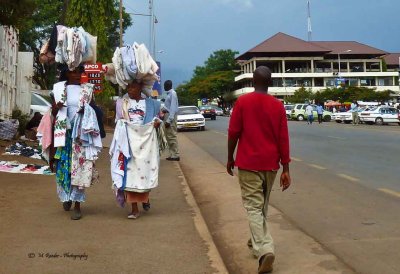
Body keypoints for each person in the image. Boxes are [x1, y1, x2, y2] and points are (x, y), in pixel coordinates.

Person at [227, 66, 291, 274]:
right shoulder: (278, 106)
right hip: (271, 165)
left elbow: (234, 132)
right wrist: (286, 168)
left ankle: (265, 249)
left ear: (253, 81)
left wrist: (230, 157)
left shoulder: (243, 102)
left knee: (254, 207)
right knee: (261, 205)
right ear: (269, 83)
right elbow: (283, 138)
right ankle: (255, 241)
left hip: (248, 164)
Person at [42, 64, 102, 220]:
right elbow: (54, 113)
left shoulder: (87, 90)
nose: (75, 75)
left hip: (81, 136)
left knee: (80, 169)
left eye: (78, 72)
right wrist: (56, 107)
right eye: (72, 72)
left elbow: (94, 111)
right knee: (64, 167)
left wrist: (87, 110)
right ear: (66, 73)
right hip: (64, 135)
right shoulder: (59, 89)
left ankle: (77, 205)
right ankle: (67, 196)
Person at [113, 80, 162, 219]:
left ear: (140, 87)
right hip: (128, 144)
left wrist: (157, 124)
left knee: (145, 172)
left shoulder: (151, 104)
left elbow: (158, 120)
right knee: (130, 174)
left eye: (133, 86)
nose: (130, 89)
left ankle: (145, 198)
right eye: (128, 86)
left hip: (146, 144)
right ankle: (134, 209)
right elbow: (118, 121)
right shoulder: (122, 103)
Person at [162, 80, 180, 161]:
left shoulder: (173, 93)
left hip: (170, 116)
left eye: (165, 85)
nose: (164, 86)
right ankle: (172, 154)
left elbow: (172, 108)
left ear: (169, 85)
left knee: (172, 136)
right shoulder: (168, 94)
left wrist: (169, 121)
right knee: (168, 136)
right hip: (167, 115)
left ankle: (175, 155)